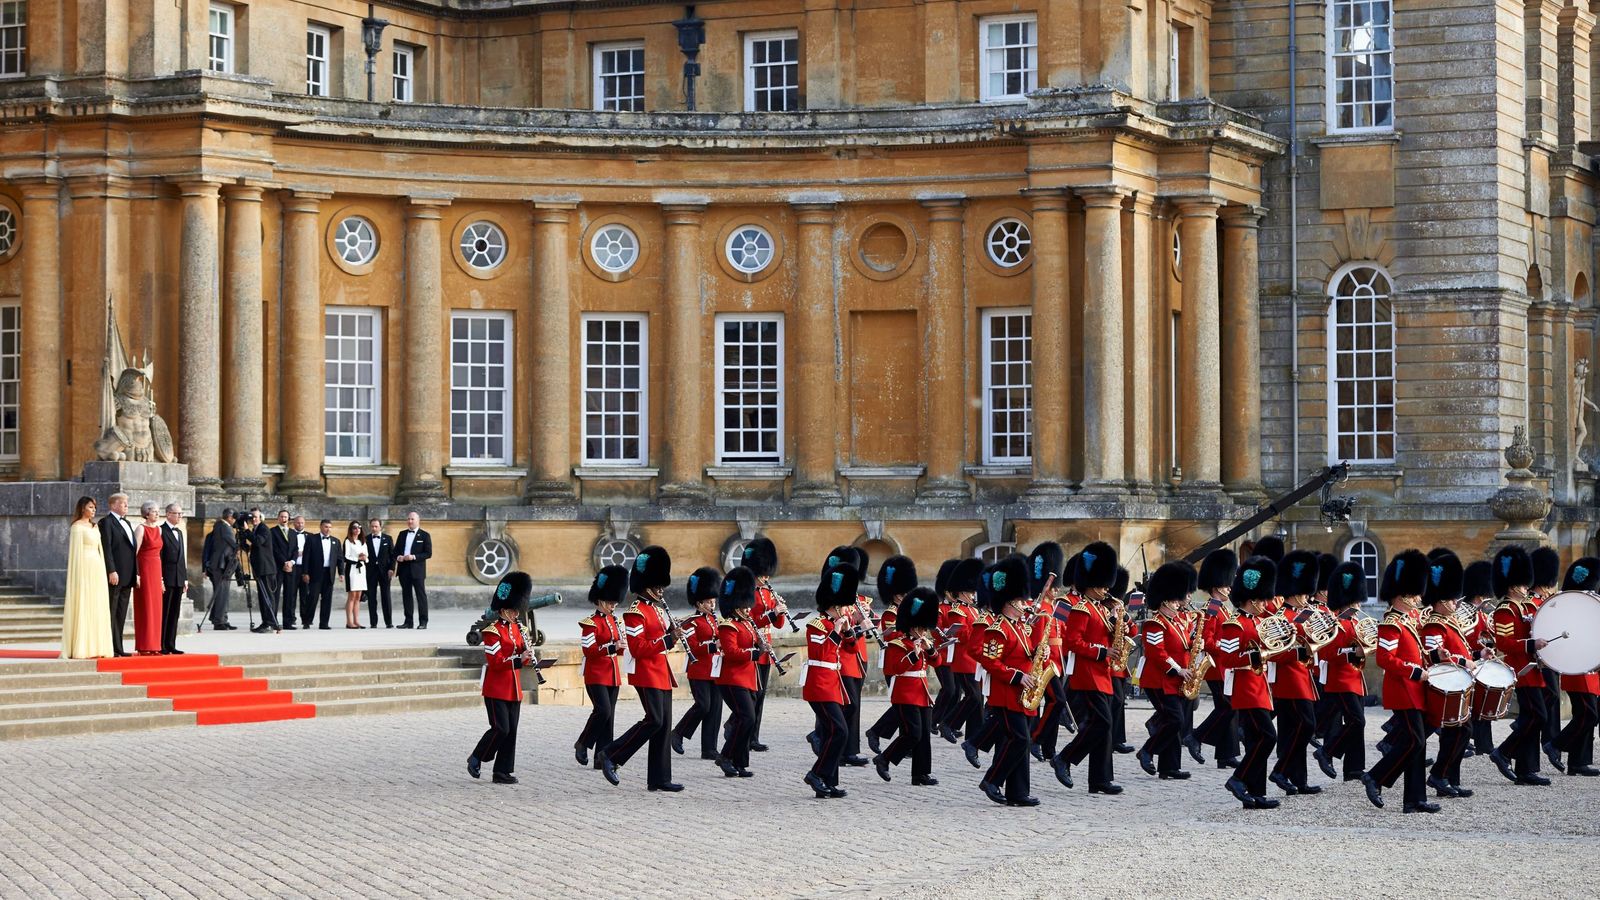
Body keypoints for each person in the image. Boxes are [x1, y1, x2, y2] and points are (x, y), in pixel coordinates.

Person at [598, 546, 681, 792]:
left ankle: (659, 778)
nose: (661, 590)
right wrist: (667, 639)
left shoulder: (657, 608)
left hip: (661, 670)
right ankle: (611, 754)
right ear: (648, 586)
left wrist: (673, 634)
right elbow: (638, 647)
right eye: (658, 586)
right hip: (645, 672)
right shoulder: (635, 613)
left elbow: (659, 638)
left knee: (664, 724)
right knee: (654, 719)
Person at [1360, 548, 1437, 813]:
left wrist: (1436, 656)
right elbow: (1384, 658)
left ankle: (1414, 800)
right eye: (1415, 593)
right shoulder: (1391, 624)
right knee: (1414, 740)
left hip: (1415, 690)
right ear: (1403, 595)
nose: (1419, 598)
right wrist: (1415, 672)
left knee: (1419, 742)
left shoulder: (1408, 622)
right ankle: (1376, 776)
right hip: (1403, 690)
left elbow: (1415, 652)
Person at [1052, 541, 1122, 795]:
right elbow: (1073, 642)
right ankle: (1065, 758)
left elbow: (1123, 633)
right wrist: (1103, 651)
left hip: (1101, 673)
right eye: (1103, 585)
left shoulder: (1101, 609)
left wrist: (1119, 619)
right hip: (1088, 673)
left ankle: (1100, 779)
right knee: (1101, 723)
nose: (1106, 590)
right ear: (1091, 584)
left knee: (1104, 724)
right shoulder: (1081, 608)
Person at [977, 555, 1039, 806]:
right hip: (1005, 693)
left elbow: (1024, 653)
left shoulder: (1020, 627)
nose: (1023, 604)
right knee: (1020, 739)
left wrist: (1038, 654)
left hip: (1022, 694)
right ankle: (992, 779)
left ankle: (1018, 792)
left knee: (1023, 742)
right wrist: (1017, 676)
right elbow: (990, 662)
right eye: (1018, 601)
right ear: (1007, 603)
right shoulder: (997, 629)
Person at [1219, 555, 1280, 810]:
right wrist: (1255, 654)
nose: (1265, 603)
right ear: (1252, 599)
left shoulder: (1257, 621)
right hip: (1246, 688)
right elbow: (1228, 656)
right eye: (1262, 599)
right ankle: (1238, 778)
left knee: (1257, 741)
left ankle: (1256, 793)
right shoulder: (1234, 624)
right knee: (1268, 737)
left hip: (1260, 686)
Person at [1489, 545, 1553, 786]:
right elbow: (1505, 643)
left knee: (1532, 716)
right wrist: (1531, 644)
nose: (1527, 587)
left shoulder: (1524, 607)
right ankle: (1504, 751)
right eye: (1523, 583)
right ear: (1512, 585)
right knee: (1538, 715)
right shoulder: (1505, 610)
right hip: (1520, 669)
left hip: (1532, 668)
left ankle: (1526, 770)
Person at [1419, 550, 1476, 798]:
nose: (1456, 604)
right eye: (1453, 600)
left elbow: (1456, 648)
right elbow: (1436, 655)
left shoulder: (1448, 621)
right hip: (1445, 684)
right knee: (1457, 731)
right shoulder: (1435, 623)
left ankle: (1449, 778)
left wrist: (1479, 654)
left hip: (1458, 684)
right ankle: (1439, 776)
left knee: (1461, 731)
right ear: (1442, 601)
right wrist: (1465, 660)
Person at [468, 572, 533, 785]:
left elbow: (521, 655)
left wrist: (528, 657)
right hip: (496, 688)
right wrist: (518, 659)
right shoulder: (491, 631)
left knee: (511, 731)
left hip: (513, 687)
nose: (517, 614)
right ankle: (477, 756)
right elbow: (496, 661)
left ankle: (502, 771)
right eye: (514, 610)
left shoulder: (518, 629)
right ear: (504, 610)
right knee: (500, 728)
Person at [1266, 549, 1322, 797]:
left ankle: (1297, 780)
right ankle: (1280, 769)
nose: (1307, 597)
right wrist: (1297, 653)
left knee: (1293, 729)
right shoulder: (1281, 617)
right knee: (1306, 726)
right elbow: (1273, 652)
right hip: (1289, 680)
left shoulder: (1304, 614)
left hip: (1302, 678)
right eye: (1303, 592)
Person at [1136, 562, 1198, 781]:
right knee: (1175, 720)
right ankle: (1147, 750)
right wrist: (1178, 669)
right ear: (1164, 601)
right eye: (1173, 600)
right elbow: (1157, 653)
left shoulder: (1178, 622)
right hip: (1159, 680)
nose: (1177, 603)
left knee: (1174, 721)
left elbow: (1184, 645)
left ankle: (1169, 767)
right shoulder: (1155, 624)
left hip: (1176, 680)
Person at [875, 586, 942, 787]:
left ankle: (920, 774)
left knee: (923, 737)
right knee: (912, 734)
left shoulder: (922, 642)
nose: (923, 632)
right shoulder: (897, 644)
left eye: (924, 628)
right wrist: (914, 652)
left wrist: (930, 651)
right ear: (911, 627)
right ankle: (884, 759)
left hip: (921, 691)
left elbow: (937, 663)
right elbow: (894, 668)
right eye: (920, 628)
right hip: (904, 693)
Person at [803, 563, 859, 798]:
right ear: (833, 606)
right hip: (819, 684)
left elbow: (852, 649)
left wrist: (846, 632)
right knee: (840, 731)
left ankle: (827, 781)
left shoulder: (835, 624)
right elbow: (821, 653)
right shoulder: (816, 625)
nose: (846, 611)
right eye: (843, 607)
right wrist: (836, 631)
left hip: (832, 684)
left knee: (831, 733)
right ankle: (817, 774)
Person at [1316, 561, 1371, 783]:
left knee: (1356, 723)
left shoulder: (1355, 621)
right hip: (1340, 680)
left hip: (1354, 678)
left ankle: (1354, 769)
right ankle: (1327, 752)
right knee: (1357, 721)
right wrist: (1354, 650)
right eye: (1356, 599)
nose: (1359, 603)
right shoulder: (1336, 623)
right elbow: (1328, 652)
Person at [863, 555, 917, 761]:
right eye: (903, 594)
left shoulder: (904, 613)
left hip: (909, 663)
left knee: (906, 705)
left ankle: (905, 741)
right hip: (894, 664)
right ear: (895, 596)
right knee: (902, 705)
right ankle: (876, 731)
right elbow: (894, 638)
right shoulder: (890, 615)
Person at [1192, 549, 1241, 768]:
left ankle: (1226, 755)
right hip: (1216, 666)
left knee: (1230, 708)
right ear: (1216, 586)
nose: (1229, 587)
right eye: (1226, 584)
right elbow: (1207, 639)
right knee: (1227, 707)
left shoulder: (1224, 609)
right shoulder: (1212, 609)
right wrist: (1225, 647)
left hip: (1226, 667)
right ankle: (1196, 737)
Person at [671, 567, 725, 761]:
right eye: (709, 602)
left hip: (716, 669)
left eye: (713, 601)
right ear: (699, 602)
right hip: (699, 670)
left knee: (715, 709)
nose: (712, 605)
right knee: (703, 705)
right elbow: (693, 646)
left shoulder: (715, 621)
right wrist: (714, 645)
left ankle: (709, 749)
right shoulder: (691, 622)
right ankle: (678, 732)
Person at [575, 565, 627, 768]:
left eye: (615, 602)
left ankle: (602, 757)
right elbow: (589, 649)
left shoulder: (616, 621)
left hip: (612, 674)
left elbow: (619, 649)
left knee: (609, 717)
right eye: (609, 602)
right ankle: (583, 742)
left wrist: (622, 647)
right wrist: (610, 647)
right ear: (599, 601)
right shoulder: (590, 623)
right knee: (603, 711)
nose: (613, 605)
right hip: (596, 674)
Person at [1553, 557, 1600, 777]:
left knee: (1586, 714)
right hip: (1578, 668)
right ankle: (1556, 744)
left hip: (1589, 668)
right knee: (1588, 715)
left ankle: (1578, 762)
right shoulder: (1569, 608)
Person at [1024, 543, 1068, 763]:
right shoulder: (1037, 607)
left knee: (1054, 703)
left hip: (1056, 662)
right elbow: (1034, 637)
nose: (1056, 590)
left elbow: (1062, 634)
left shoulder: (1054, 607)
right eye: (1054, 586)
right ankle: (1036, 738)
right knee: (1057, 701)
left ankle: (1049, 748)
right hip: (1044, 663)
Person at [715, 567, 762, 778]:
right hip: (732, 679)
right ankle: (725, 756)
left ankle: (740, 762)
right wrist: (753, 652)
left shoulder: (747, 624)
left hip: (748, 678)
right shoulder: (728, 626)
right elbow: (731, 652)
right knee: (747, 717)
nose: (747, 609)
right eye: (744, 605)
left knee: (747, 719)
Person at [742, 537, 786, 752]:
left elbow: (777, 625)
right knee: (750, 695)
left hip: (766, 649)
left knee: (760, 694)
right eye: (762, 574)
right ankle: (740, 729)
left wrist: (779, 611)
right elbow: (750, 621)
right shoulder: (747, 591)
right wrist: (771, 613)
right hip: (753, 647)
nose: (766, 578)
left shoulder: (768, 592)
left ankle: (753, 737)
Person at [939, 558, 987, 744]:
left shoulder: (973, 611)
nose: (974, 595)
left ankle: (974, 737)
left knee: (978, 698)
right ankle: (949, 723)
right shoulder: (956, 611)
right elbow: (964, 635)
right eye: (971, 591)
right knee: (972, 696)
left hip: (975, 659)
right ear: (962, 592)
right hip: (963, 659)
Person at [62, 496, 114, 659]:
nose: (94, 510)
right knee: (85, 604)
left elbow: (101, 549)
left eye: (95, 508)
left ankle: (98, 646)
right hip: (84, 567)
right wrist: (77, 576)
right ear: (83, 508)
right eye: (91, 507)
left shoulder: (95, 527)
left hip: (97, 566)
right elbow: (75, 554)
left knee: (97, 604)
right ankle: (83, 647)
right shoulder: (77, 527)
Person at [98, 492, 137, 658]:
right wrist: (111, 570)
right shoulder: (106, 522)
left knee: (121, 612)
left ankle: (119, 647)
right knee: (112, 611)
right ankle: (110, 647)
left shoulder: (127, 522)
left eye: (127, 504)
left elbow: (132, 551)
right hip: (115, 574)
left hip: (128, 574)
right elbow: (107, 548)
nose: (126, 506)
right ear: (113, 505)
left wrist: (137, 573)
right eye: (123, 504)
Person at [129, 501, 165, 655]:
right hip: (144, 570)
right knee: (146, 607)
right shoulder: (140, 529)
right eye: (154, 511)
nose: (157, 514)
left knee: (157, 608)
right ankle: (144, 645)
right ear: (146, 513)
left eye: (158, 511)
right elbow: (133, 554)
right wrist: (135, 574)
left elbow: (160, 555)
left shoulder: (159, 530)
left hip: (156, 570)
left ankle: (155, 645)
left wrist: (162, 579)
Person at [200, 508, 238, 631]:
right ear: (229, 517)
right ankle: (219, 621)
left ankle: (221, 619)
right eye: (234, 518)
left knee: (222, 593)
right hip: (220, 565)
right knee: (221, 593)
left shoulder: (220, 526)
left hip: (222, 565)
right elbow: (234, 544)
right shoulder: (224, 527)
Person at [301, 519, 341, 630]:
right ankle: (307, 621)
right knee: (312, 598)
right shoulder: (311, 539)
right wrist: (305, 572)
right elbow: (306, 557)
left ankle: (324, 623)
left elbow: (339, 559)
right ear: (320, 527)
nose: (328, 529)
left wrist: (341, 573)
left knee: (327, 600)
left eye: (329, 527)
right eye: (325, 527)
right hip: (315, 573)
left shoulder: (336, 541)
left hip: (329, 573)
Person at [395, 511, 432, 629]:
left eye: (412, 519)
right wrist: (398, 557)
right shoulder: (402, 534)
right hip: (404, 569)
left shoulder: (425, 535)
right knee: (406, 595)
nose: (410, 521)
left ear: (418, 521)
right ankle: (408, 621)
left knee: (420, 595)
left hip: (417, 570)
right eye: (408, 519)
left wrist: (414, 557)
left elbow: (428, 553)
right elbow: (395, 551)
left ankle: (423, 621)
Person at [247, 510, 281, 633]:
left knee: (267, 596)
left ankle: (271, 623)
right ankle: (266, 622)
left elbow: (258, 541)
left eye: (255, 517)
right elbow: (254, 546)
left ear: (261, 517)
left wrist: (246, 531)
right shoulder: (255, 529)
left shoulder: (264, 529)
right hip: (260, 568)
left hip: (266, 568)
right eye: (252, 517)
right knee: (262, 597)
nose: (253, 519)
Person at [270, 511, 301, 630]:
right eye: (282, 517)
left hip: (290, 567)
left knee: (290, 595)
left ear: (289, 519)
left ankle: (288, 622)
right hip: (278, 567)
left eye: (286, 517)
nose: (284, 519)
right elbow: (274, 549)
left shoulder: (293, 533)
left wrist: (291, 562)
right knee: (275, 594)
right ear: (278, 518)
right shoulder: (272, 531)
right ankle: (273, 621)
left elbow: (295, 550)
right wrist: (284, 562)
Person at [365, 518, 396, 628]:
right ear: (370, 527)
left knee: (386, 597)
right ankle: (373, 623)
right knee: (372, 597)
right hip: (370, 572)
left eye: (376, 526)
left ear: (380, 527)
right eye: (372, 526)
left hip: (385, 572)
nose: (374, 528)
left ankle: (389, 622)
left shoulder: (388, 539)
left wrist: (392, 569)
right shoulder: (366, 539)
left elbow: (393, 556)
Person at [342, 521, 368, 629]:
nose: (357, 530)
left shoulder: (362, 542)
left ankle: (357, 621)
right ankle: (349, 621)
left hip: (361, 570)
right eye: (354, 528)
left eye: (359, 528)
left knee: (358, 596)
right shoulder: (348, 541)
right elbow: (346, 557)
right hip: (352, 569)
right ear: (351, 529)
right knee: (352, 596)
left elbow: (367, 556)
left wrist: (364, 558)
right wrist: (357, 558)